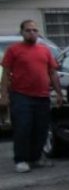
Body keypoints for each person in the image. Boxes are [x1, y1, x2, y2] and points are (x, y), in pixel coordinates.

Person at [0, 20, 63, 173]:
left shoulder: (44, 50)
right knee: (23, 127)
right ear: (22, 32)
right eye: (28, 30)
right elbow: (6, 74)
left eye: (35, 30)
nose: (32, 33)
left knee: (41, 128)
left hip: (42, 96)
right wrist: (4, 95)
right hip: (21, 96)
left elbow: (52, 73)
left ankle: (35, 157)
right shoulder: (13, 50)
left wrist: (59, 93)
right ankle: (21, 160)